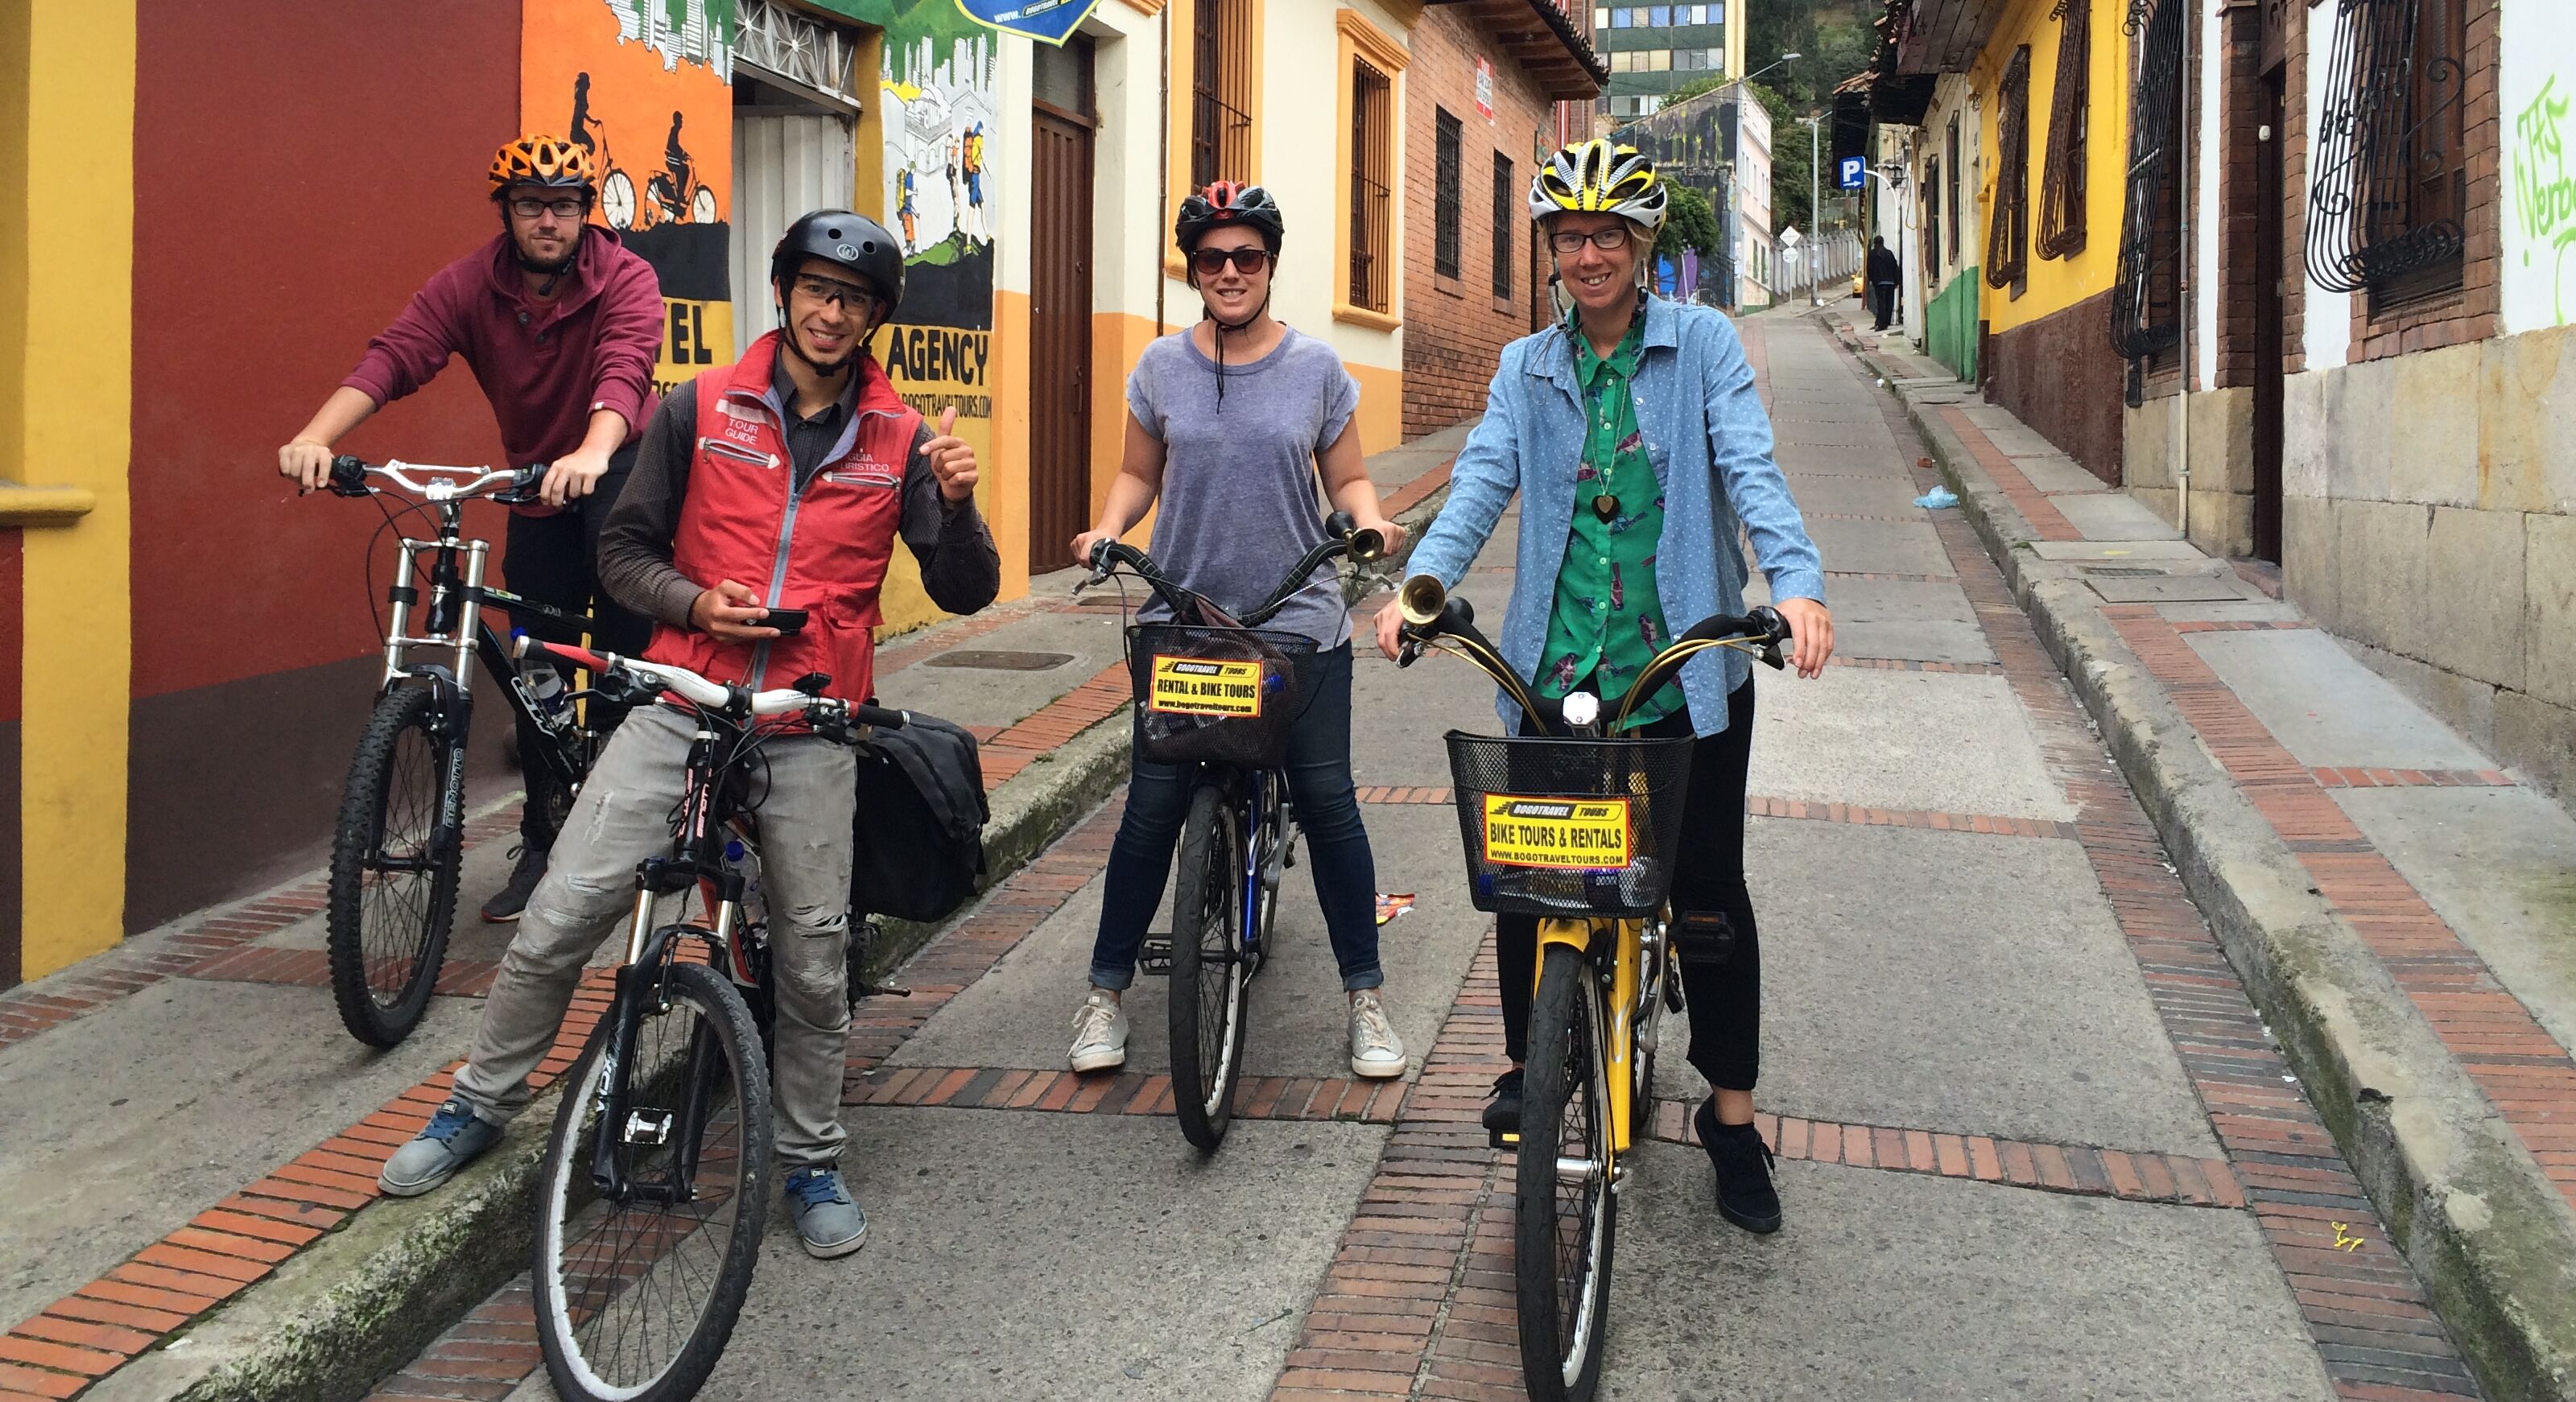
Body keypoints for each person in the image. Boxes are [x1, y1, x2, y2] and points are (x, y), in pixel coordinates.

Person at [374, 211, 1002, 1260]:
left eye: (853, 299)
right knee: (562, 915)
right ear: (784, 292)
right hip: (681, 697)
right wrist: (694, 603)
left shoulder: (900, 439)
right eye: (816, 289)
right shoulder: (698, 406)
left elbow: (966, 590)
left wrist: (958, 507)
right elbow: (622, 554)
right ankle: (479, 1101)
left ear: (875, 318)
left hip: (807, 719)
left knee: (812, 960)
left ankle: (809, 1158)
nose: (831, 312)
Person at [1375, 140, 1834, 1235]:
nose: (1588, 256)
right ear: (1550, 249)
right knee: (1533, 875)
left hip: (1683, 673)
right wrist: (1420, 589)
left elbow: (1751, 469)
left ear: (1641, 246)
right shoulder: (1525, 367)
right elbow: (1481, 479)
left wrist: (1796, 586)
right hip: (1558, 672)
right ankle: (1531, 1067)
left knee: (1707, 897)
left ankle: (1730, 1120)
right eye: (1570, 237)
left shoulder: (1701, 345)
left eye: (1608, 237)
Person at [1066, 181, 1411, 1082]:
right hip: (1185, 621)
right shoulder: (1159, 368)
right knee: (1150, 810)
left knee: (1328, 804)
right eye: (1211, 259)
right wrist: (1107, 529)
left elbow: (1348, 479)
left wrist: (1370, 520)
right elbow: (1138, 474)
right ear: (1193, 271)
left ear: (1269, 265)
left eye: (1246, 257)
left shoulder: (1317, 369)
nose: (1229, 272)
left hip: (1297, 620)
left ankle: (1364, 997)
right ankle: (1104, 993)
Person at [278, 134, 664, 923]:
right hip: (535, 481)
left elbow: (625, 365)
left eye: (563, 206)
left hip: (620, 464)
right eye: (531, 205)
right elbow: (396, 356)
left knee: (626, 656)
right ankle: (543, 841)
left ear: (585, 214)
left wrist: (593, 451)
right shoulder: (468, 285)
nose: (548, 221)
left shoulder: (626, 277)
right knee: (534, 667)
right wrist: (316, 437)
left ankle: (635, 822)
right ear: (506, 213)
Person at [1868, 234, 1899, 331]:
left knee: (1881, 304)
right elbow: (1895, 268)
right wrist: (1896, 281)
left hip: (1879, 283)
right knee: (1889, 304)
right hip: (1890, 283)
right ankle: (1882, 322)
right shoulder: (1889, 254)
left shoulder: (1872, 254)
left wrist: (1872, 280)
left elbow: (1870, 269)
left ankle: (1882, 324)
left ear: (1875, 243)